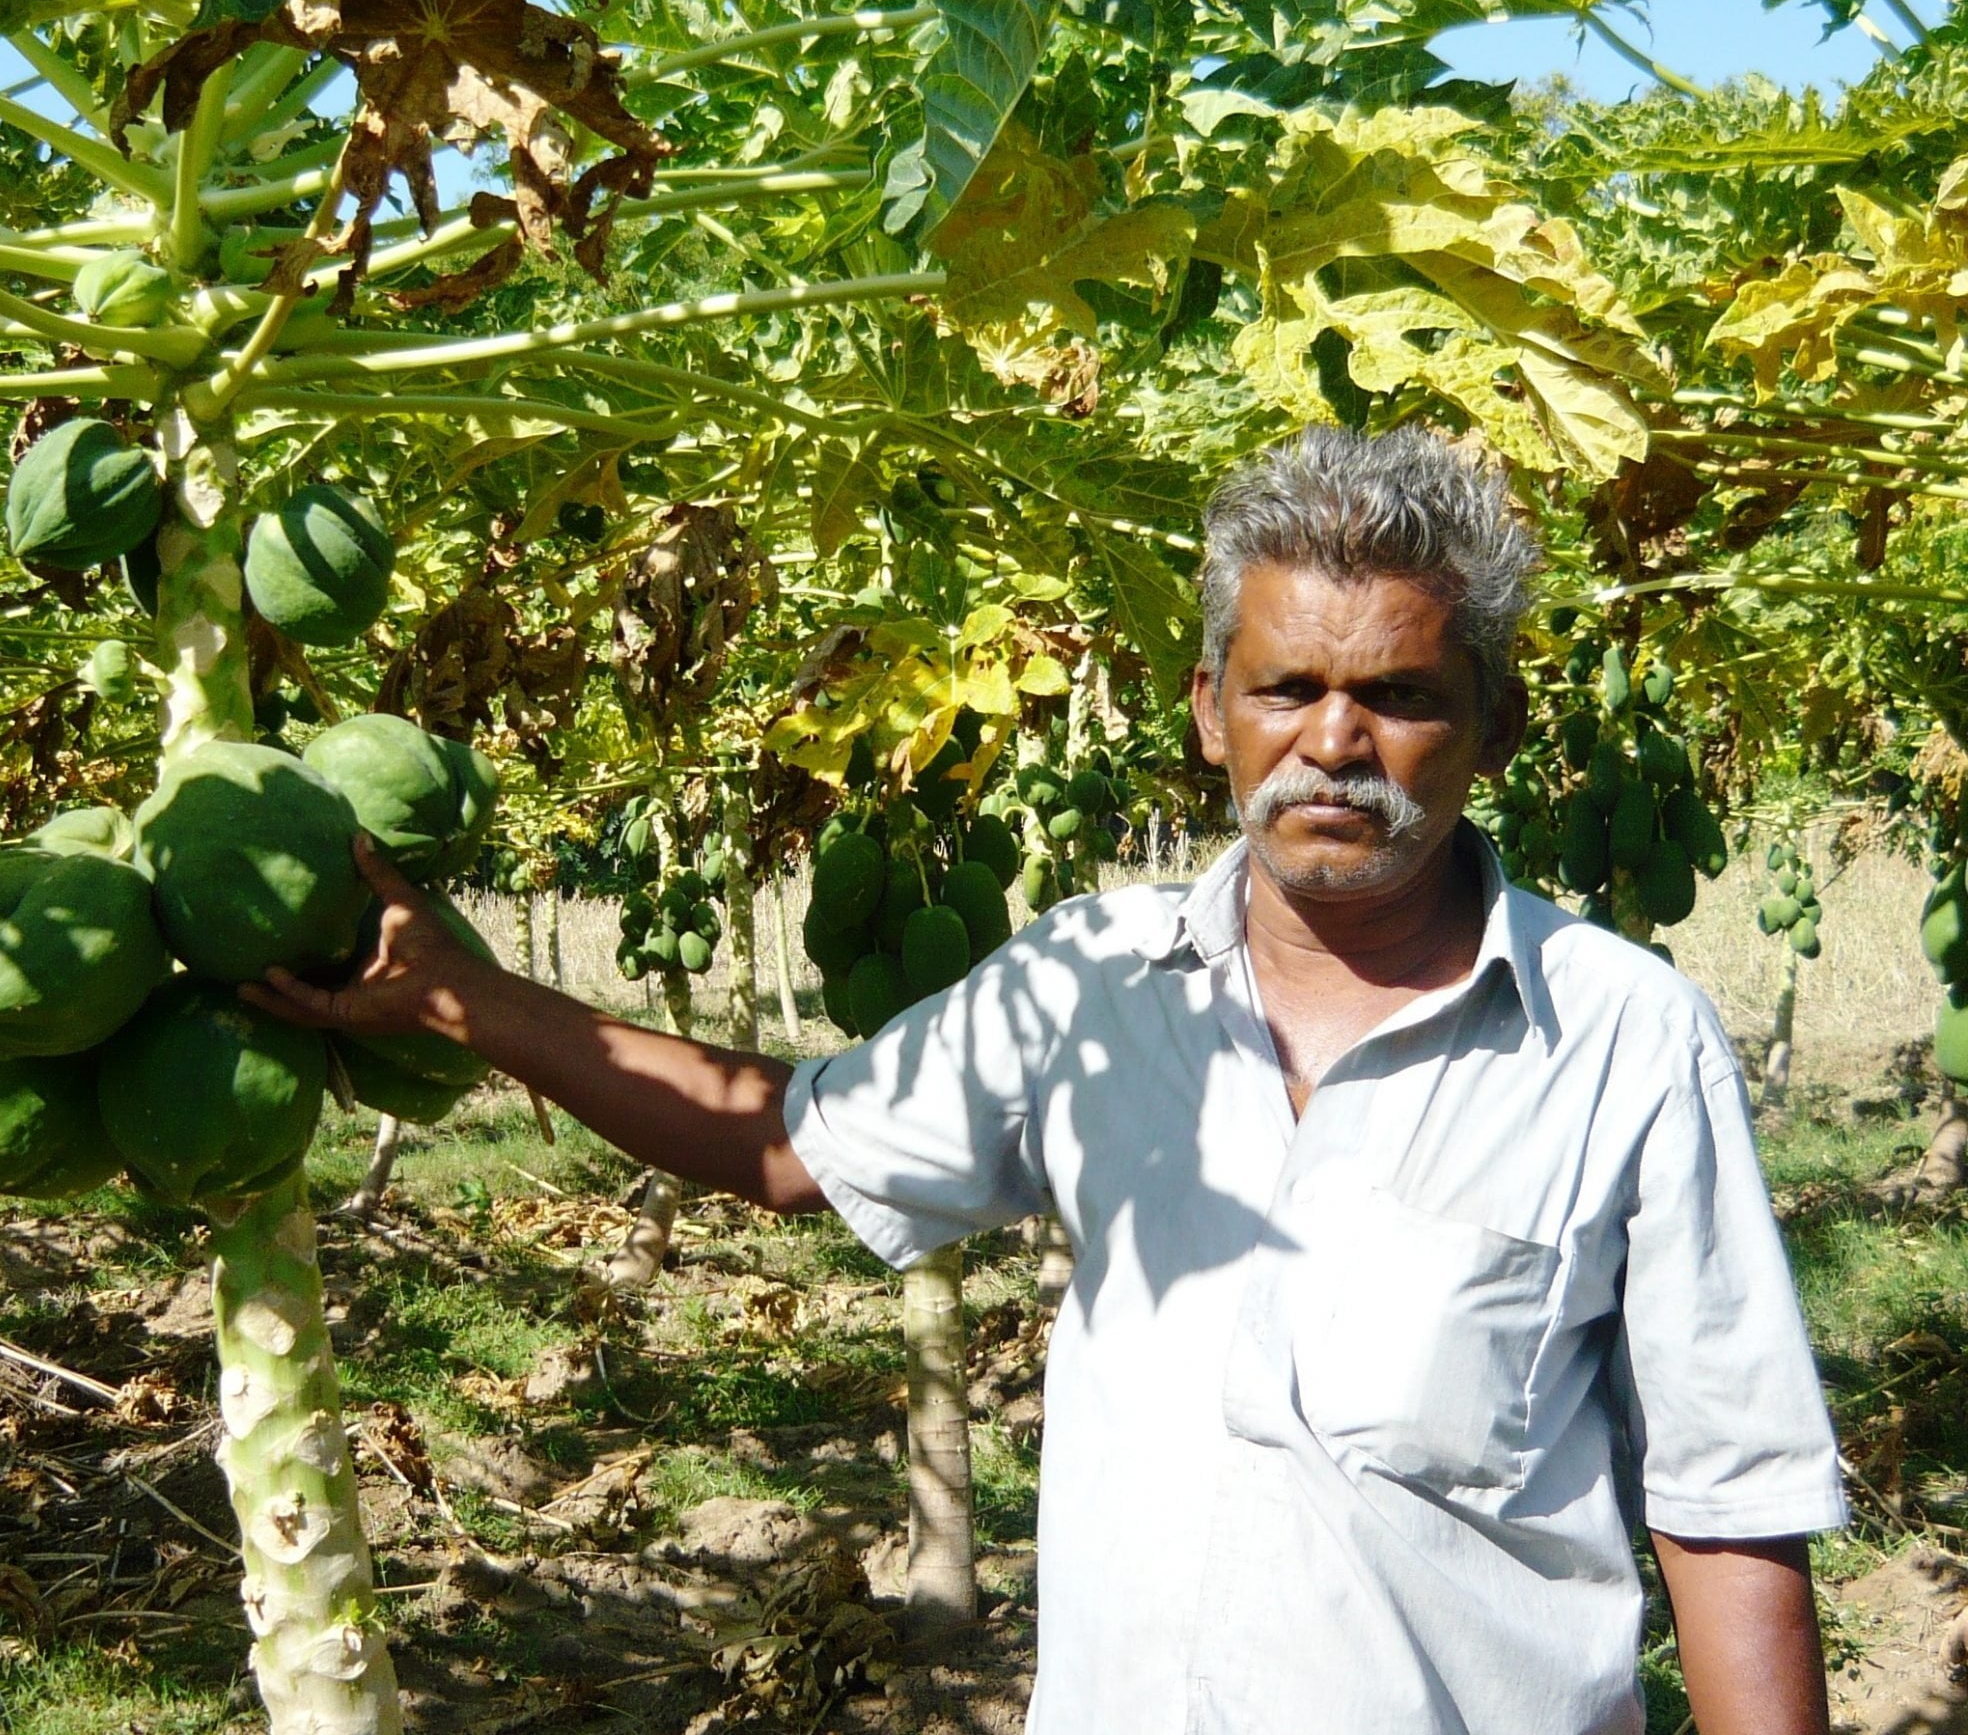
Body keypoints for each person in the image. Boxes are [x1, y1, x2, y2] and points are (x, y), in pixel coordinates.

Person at [245, 426, 1847, 1735]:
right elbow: (797, 1148)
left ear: (1491, 724)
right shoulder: (1087, 982)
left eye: (1404, 696)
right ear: (1212, 710)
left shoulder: (1624, 1034)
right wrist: (474, 1004)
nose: (1337, 740)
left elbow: (1727, 1502)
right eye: (1289, 688)